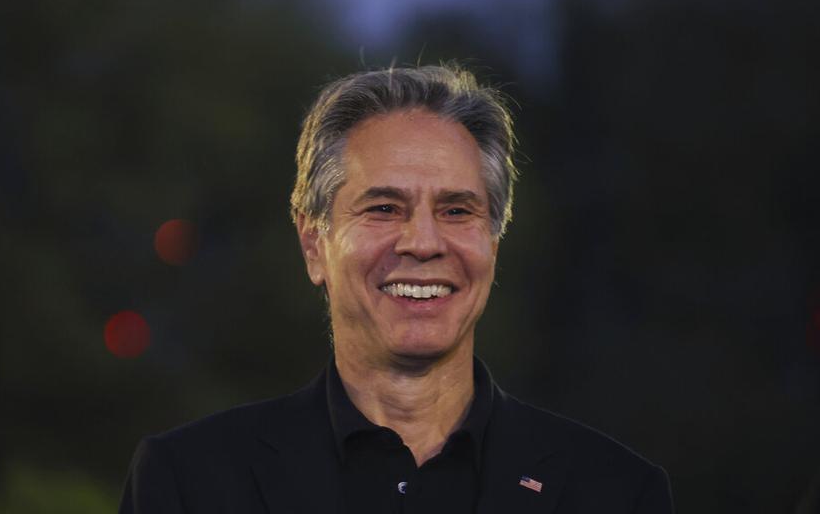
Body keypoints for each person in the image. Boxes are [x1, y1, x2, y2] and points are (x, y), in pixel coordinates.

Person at [119, 64, 674, 513]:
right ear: (314, 243)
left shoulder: (617, 493)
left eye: (457, 210)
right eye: (384, 208)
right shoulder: (187, 484)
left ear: (493, 244)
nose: (424, 242)